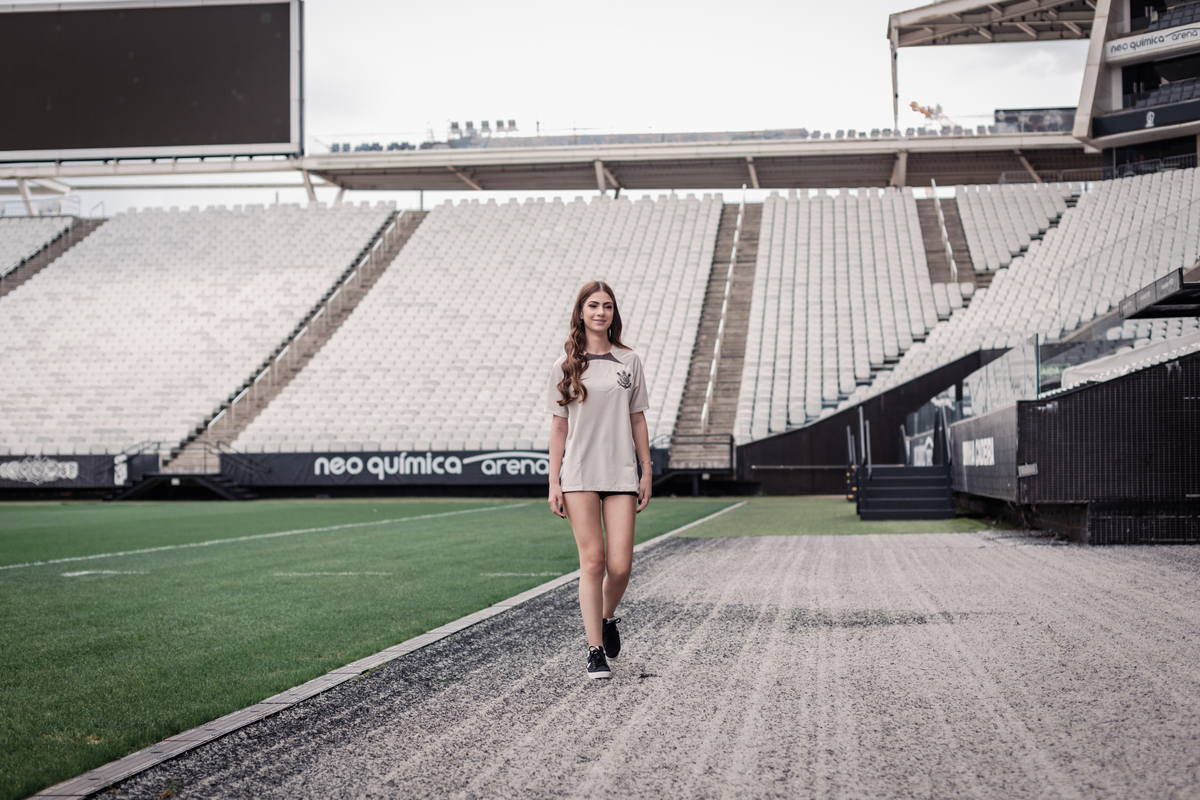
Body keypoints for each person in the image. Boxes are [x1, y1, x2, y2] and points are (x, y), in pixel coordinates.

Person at [546, 280, 652, 680]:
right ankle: (595, 650)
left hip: (621, 472)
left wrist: (646, 469)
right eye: (593, 305)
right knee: (593, 561)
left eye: (607, 306)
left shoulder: (630, 360)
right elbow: (559, 427)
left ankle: (607, 618)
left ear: (613, 313)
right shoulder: (565, 365)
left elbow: (637, 418)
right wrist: (553, 481)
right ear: (581, 312)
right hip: (578, 475)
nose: (600, 312)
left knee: (620, 566)